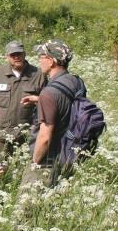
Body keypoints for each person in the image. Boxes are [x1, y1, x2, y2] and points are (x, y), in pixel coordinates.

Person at [20, 39, 84, 189]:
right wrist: (39, 100)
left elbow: (44, 138)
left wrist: (35, 163)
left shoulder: (49, 93)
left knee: (28, 208)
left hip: (48, 160)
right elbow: (66, 105)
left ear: (51, 61)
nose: (39, 60)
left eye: (42, 56)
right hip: (69, 153)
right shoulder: (75, 82)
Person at [0, 40, 46, 164]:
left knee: (23, 165)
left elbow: (47, 100)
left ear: (24, 54)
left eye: (19, 54)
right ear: (7, 57)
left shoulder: (38, 74)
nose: (16, 57)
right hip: (3, 131)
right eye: (13, 55)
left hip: (27, 133)